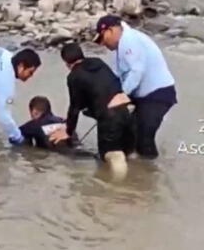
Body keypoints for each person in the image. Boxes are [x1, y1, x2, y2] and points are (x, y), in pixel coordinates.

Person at [93, 15, 177, 159]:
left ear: (111, 31)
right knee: (131, 134)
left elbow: (137, 70)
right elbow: (121, 75)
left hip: (157, 94)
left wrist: (123, 95)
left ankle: (151, 173)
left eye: (102, 38)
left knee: (144, 138)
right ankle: (135, 170)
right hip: (142, 96)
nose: (102, 44)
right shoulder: (122, 45)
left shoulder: (129, 40)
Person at [50, 43, 135, 176]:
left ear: (66, 63)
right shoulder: (98, 63)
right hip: (125, 112)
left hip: (108, 119)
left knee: (112, 156)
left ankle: (118, 190)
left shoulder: (74, 76)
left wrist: (68, 131)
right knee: (128, 153)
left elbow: (74, 107)